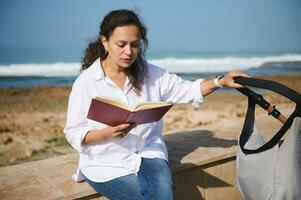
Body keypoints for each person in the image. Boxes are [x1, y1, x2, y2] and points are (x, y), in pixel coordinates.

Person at [64, 9, 248, 200]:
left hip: (148, 151)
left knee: (163, 193)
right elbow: (72, 131)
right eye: (121, 44)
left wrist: (221, 82)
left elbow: (188, 89)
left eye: (135, 45)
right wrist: (105, 134)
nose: (129, 52)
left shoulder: (152, 74)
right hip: (104, 162)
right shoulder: (86, 82)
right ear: (105, 42)